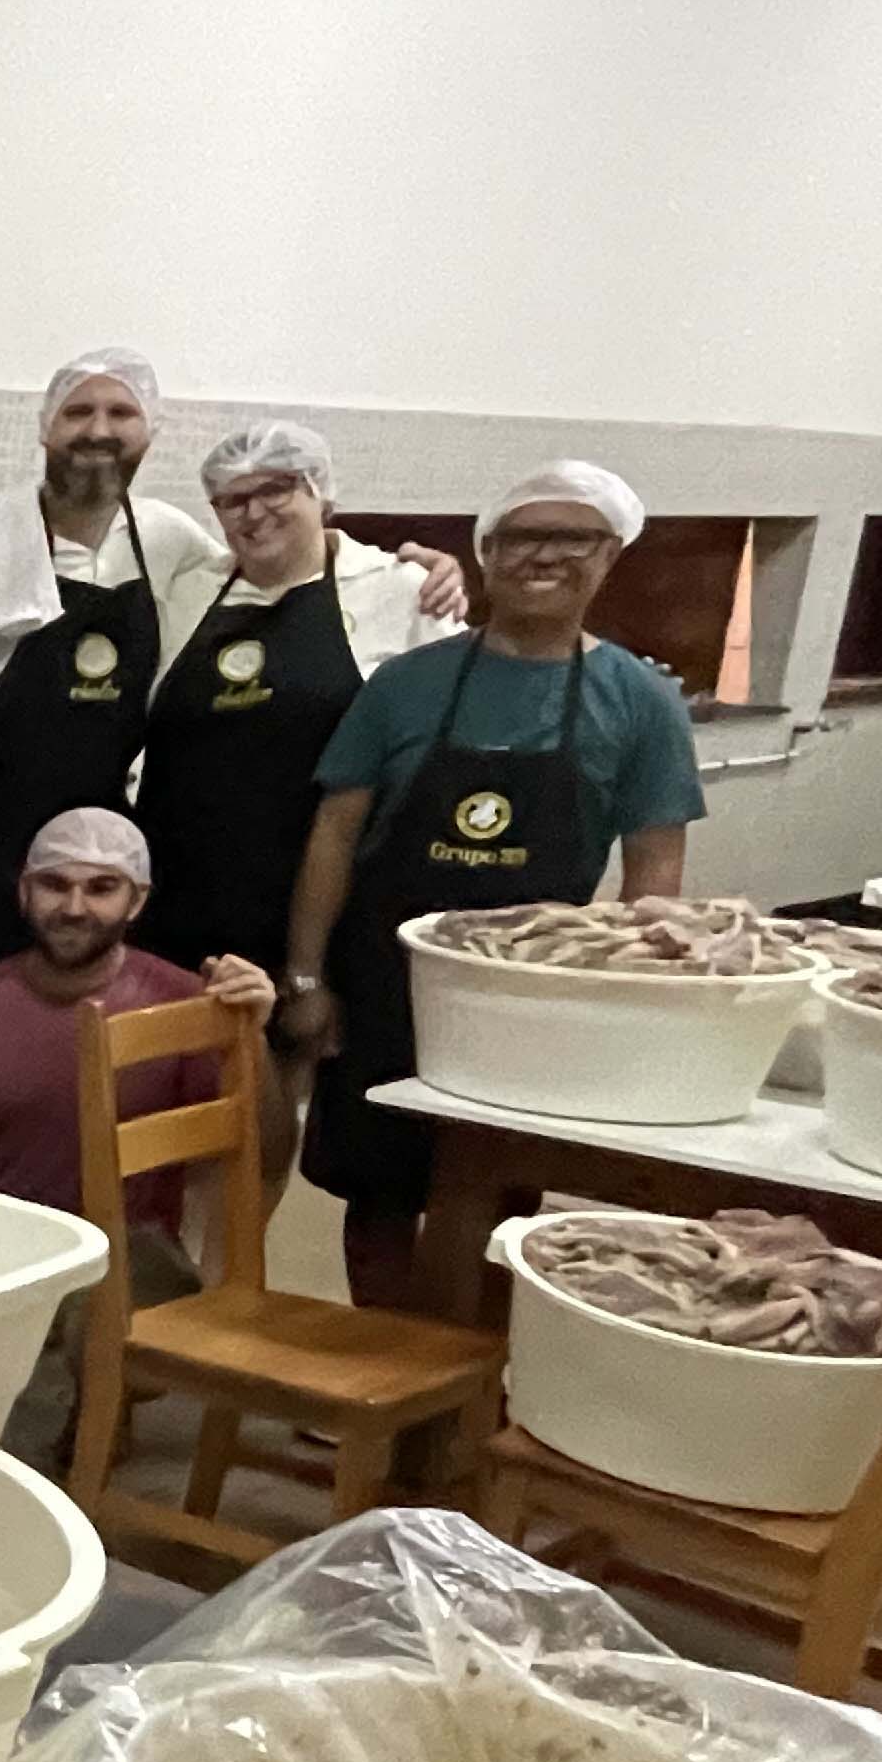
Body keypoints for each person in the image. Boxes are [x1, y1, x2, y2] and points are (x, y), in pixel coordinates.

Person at [288, 460, 703, 1307]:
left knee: (498, 1196)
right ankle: (377, 1357)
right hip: (386, 988)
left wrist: (624, 1005)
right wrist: (306, 976)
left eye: (572, 539)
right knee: (378, 1191)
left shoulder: (641, 701)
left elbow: (655, 874)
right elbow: (333, 835)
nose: (543, 556)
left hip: (531, 1001)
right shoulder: (406, 684)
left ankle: (465, 1369)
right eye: (520, 537)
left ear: (610, 555)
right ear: (487, 553)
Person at [0, 809, 283, 1460]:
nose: (74, 907)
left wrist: (251, 1038)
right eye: (55, 884)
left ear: (137, 901)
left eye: (101, 888)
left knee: (87, 1337)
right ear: (24, 892)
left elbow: (264, 1149)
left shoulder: (182, 1003)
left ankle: (91, 1427)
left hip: (131, 1248)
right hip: (2, 1242)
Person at [0, 348, 224, 989]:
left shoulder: (172, 541)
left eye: (121, 413)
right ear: (45, 429)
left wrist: (416, 566)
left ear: (150, 432)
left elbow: (278, 574)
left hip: (104, 859)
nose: (98, 430)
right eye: (78, 412)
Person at [134, 420, 457, 1014]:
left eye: (275, 489)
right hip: (186, 898)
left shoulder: (401, 591)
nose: (253, 512)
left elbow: (446, 741)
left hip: (336, 904)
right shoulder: (183, 590)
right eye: (232, 500)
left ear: (320, 491)